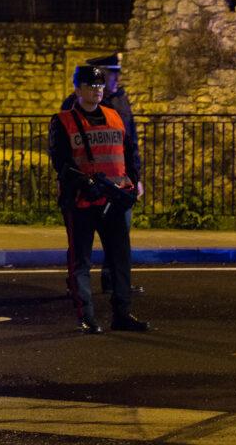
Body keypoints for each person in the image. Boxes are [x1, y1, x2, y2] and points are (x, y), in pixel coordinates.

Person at [49, 65, 149, 334]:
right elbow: (61, 162)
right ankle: (86, 316)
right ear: (78, 89)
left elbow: (128, 153)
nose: (97, 90)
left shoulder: (115, 117)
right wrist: (85, 182)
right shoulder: (63, 121)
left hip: (114, 199)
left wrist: (131, 181)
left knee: (120, 259)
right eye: (91, 85)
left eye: (100, 86)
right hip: (81, 200)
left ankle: (122, 313)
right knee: (81, 260)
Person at [61, 53, 143, 294]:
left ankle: (115, 282)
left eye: (113, 77)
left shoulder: (120, 102)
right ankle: (77, 284)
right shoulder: (74, 105)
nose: (112, 81)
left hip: (118, 185)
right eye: (109, 75)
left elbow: (130, 143)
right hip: (86, 187)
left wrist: (135, 178)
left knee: (119, 239)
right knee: (81, 242)